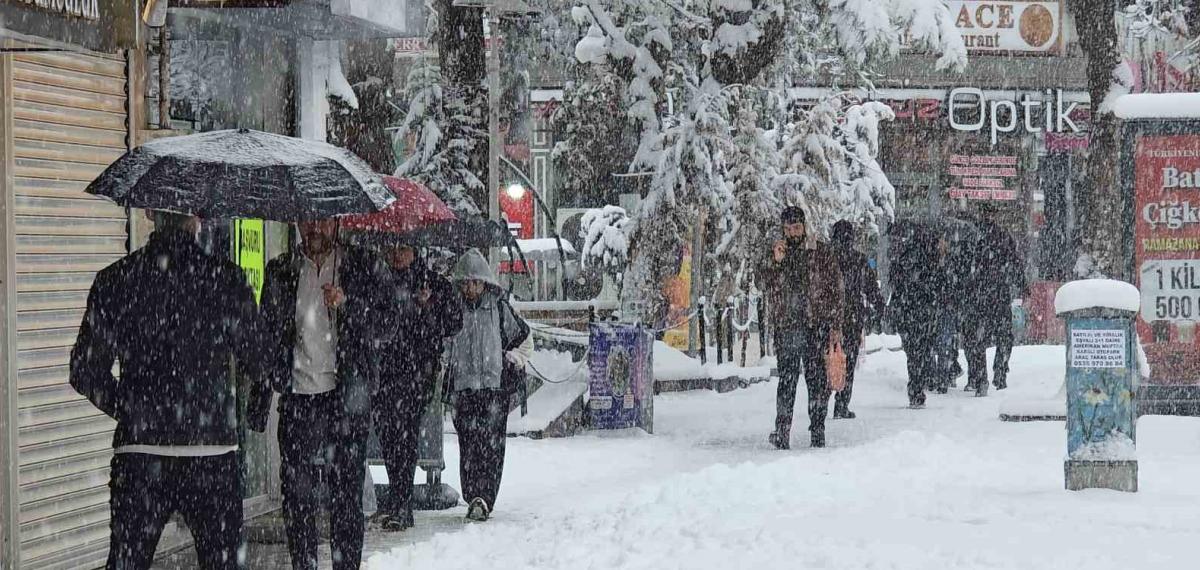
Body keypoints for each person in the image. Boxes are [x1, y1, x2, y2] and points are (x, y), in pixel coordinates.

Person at [70, 210, 265, 570]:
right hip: (211, 451)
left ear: (149, 214)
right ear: (198, 218)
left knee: (128, 562)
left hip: (141, 452)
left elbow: (84, 370)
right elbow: (258, 361)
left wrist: (130, 408)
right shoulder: (227, 280)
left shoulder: (116, 280)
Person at [247, 220, 393, 570]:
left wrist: (349, 304)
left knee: (346, 497)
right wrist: (260, 396)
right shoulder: (281, 271)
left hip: (346, 397)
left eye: (323, 220)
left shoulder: (362, 266)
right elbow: (267, 339)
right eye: (307, 219)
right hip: (299, 397)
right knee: (297, 498)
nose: (315, 228)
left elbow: (389, 323)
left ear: (338, 222)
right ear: (297, 222)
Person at [372, 243, 463, 531]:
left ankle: (402, 502)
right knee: (389, 436)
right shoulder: (379, 280)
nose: (396, 254)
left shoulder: (432, 284)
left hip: (416, 373)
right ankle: (399, 499)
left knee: (406, 436)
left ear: (415, 251)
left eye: (404, 249)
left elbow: (453, 323)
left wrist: (429, 307)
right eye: (393, 248)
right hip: (384, 371)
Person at [444, 249, 532, 521]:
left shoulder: (499, 308)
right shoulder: (453, 309)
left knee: (492, 448)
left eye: (475, 282)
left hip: (494, 389)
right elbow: (444, 343)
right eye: (465, 282)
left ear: (484, 282)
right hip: (464, 390)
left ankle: (485, 498)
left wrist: (514, 357)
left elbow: (525, 339)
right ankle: (473, 496)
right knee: (468, 447)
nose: (470, 288)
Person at [759, 207, 844, 449]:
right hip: (787, 326)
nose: (792, 233)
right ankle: (782, 430)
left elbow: (836, 289)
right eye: (787, 229)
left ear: (804, 227)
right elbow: (762, 282)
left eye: (796, 228)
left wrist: (835, 325)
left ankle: (818, 430)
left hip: (815, 326)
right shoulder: (778, 252)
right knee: (786, 380)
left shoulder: (819, 251)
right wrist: (775, 263)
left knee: (816, 380)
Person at [960, 218, 1026, 396]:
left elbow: (963, 267)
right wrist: (1021, 285)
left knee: (975, 338)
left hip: (977, 296)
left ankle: (978, 377)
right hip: (998, 295)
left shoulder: (972, 240)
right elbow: (1016, 264)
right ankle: (1000, 371)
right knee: (1004, 336)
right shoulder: (1003, 238)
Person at [830, 221, 885, 419]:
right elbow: (870, 289)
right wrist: (879, 308)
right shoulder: (858, 260)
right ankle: (842, 402)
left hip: (830, 318)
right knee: (848, 361)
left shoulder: (828, 259)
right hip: (851, 318)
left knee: (829, 360)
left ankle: (822, 400)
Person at [890, 225, 948, 408]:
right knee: (922, 351)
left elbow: (896, 283)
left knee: (913, 353)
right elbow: (940, 286)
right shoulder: (930, 261)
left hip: (908, 313)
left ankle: (915, 386)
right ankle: (918, 384)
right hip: (924, 313)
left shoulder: (904, 257)